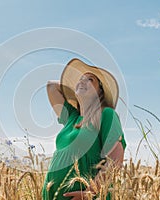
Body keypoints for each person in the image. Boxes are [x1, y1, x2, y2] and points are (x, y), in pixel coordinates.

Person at [42, 58, 126, 200]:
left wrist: (91, 192)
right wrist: (78, 88)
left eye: (90, 80)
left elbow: (116, 158)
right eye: (80, 79)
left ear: (100, 91)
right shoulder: (71, 117)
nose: (82, 81)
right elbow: (51, 87)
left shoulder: (106, 114)